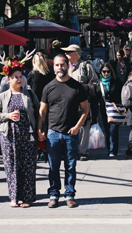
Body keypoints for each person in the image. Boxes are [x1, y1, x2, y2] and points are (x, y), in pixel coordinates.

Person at [38, 54, 89, 208]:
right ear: (53, 68)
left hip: (70, 134)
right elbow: (42, 111)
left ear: (67, 66)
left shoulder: (77, 86)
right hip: (53, 133)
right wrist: (40, 130)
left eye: (62, 65)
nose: (60, 68)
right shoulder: (48, 87)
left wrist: (77, 127)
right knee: (53, 167)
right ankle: (54, 195)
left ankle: (69, 195)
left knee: (70, 167)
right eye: (57, 65)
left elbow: (85, 110)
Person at [0, 59, 40, 208]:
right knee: (11, 167)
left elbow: (39, 113)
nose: (19, 79)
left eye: (20, 77)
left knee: (28, 166)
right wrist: (7, 116)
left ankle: (27, 198)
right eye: (16, 77)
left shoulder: (29, 94)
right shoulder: (2, 96)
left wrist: (39, 130)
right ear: (9, 79)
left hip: (28, 135)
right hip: (9, 136)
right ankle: (14, 198)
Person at [62, 44, 98, 161]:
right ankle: (71, 149)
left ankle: (83, 151)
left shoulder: (85, 66)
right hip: (68, 102)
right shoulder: (65, 67)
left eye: (68, 52)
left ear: (76, 54)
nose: (66, 54)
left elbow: (96, 83)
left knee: (83, 127)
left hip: (83, 102)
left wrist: (85, 88)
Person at [98, 63, 124, 157]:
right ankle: (110, 149)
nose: (106, 73)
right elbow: (97, 97)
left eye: (108, 71)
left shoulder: (116, 81)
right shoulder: (99, 83)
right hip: (104, 109)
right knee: (107, 130)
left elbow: (122, 94)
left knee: (113, 130)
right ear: (101, 72)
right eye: (104, 71)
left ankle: (113, 151)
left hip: (114, 109)